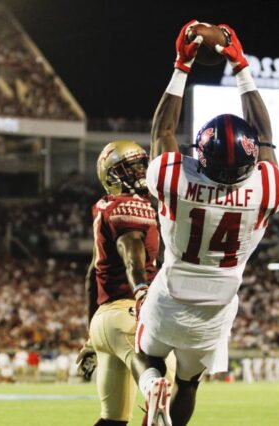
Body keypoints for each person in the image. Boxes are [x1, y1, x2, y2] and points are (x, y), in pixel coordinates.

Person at [132, 20, 279, 425]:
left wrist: (182, 66)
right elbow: (267, 139)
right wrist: (241, 67)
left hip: (170, 294)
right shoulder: (268, 190)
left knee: (143, 355)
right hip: (218, 304)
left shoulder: (174, 179)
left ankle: (151, 386)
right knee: (188, 385)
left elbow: (163, 131)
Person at [76, 140, 160, 426]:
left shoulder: (104, 208)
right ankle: (151, 386)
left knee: (112, 420)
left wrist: (90, 336)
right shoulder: (131, 207)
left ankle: (152, 387)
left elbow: (91, 276)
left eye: (141, 165)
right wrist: (141, 289)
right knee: (163, 391)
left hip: (103, 322)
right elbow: (131, 253)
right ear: (111, 175)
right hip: (129, 311)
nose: (140, 172)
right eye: (131, 167)